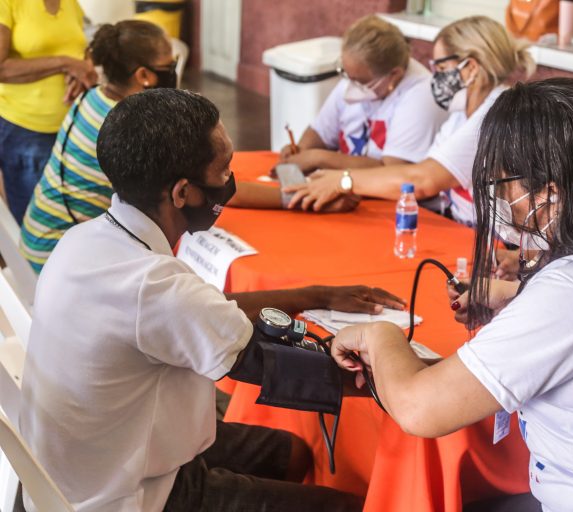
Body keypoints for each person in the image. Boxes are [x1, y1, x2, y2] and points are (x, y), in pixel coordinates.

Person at [329, 79, 573, 511]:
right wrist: (518, 294)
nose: (500, 197)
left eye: (504, 182)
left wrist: (379, 335)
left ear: (550, 193)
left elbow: (420, 409)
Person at [19, 89, 405, 511]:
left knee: (292, 453)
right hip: (127, 496)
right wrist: (406, 378)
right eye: (224, 171)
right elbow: (278, 369)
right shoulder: (154, 287)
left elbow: (202, 310)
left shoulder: (85, 241)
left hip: (89, 458)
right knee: (350, 508)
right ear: (183, 193)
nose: (230, 181)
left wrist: (315, 295)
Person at [285, 16, 534, 227]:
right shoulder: (461, 113)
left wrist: (343, 181)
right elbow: (421, 171)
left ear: (470, 68)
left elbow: (423, 180)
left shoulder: (494, 114)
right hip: (458, 226)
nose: (434, 78)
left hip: (490, 241)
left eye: (440, 68)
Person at [20, 20, 176, 274]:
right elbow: (182, 189)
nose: (173, 72)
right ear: (144, 76)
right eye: (169, 66)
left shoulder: (91, 95)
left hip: (36, 239)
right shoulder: (130, 128)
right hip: (56, 261)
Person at [277, 14, 447, 174]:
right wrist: (300, 152)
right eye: (346, 74)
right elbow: (320, 132)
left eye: (360, 81)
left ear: (394, 75)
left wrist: (319, 158)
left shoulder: (421, 97)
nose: (351, 86)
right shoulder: (356, 76)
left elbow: (392, 172)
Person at [0, 0, 97, 222]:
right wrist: (65, 63)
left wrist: (83, 69)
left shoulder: (70, 3)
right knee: (33, 217)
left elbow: (84, 48)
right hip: (26, 131)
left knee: (62, 213)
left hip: (69, 127)